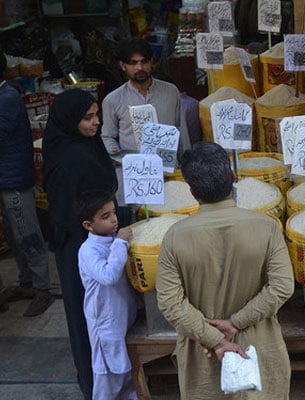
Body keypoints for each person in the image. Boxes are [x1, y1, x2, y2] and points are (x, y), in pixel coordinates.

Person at [157, 142, 294, 400]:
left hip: (204, 355)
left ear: (192, 192)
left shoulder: (174, 237)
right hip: (258, 350)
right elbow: (282, 286)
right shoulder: (267, 227)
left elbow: (170, 303)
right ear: (233, 178)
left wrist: (215, 339)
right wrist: (235, 323)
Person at [42, 88, 119, 399]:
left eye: (97, 114)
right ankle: (94, 386)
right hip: (78, 247)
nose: (96, 122)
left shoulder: (84, 144)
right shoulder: (69, 158)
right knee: (87, 317)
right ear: (70, 119)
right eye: (88, 118)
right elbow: (68, 210)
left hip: (94, 236)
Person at [0, 52, 54, 317]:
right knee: (12, 233)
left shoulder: (8, 97)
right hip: (5, 177)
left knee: (26, 231)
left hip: (14, 179)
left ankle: (42, 286)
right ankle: (26, 282)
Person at [75, 190, 139, 400]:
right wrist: (120, 242)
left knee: (127, 377)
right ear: (88, 225)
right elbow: (109, 275)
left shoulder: (112, 239)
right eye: (105, 216)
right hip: (105, 324)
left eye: (114, 213)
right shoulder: (88, 250)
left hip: (121, 317)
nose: (113, 220)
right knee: (108, 380)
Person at [101, 38, 190, 155]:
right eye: (133, 63)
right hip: (134, 168)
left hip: (169, 168)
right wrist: (118, 155)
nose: (140, 68)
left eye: (144, 62)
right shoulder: (113, 99)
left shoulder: (171, 91)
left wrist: (187, 164)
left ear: (152, 61)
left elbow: (181, 131)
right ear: (123, 66)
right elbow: (108, 136)